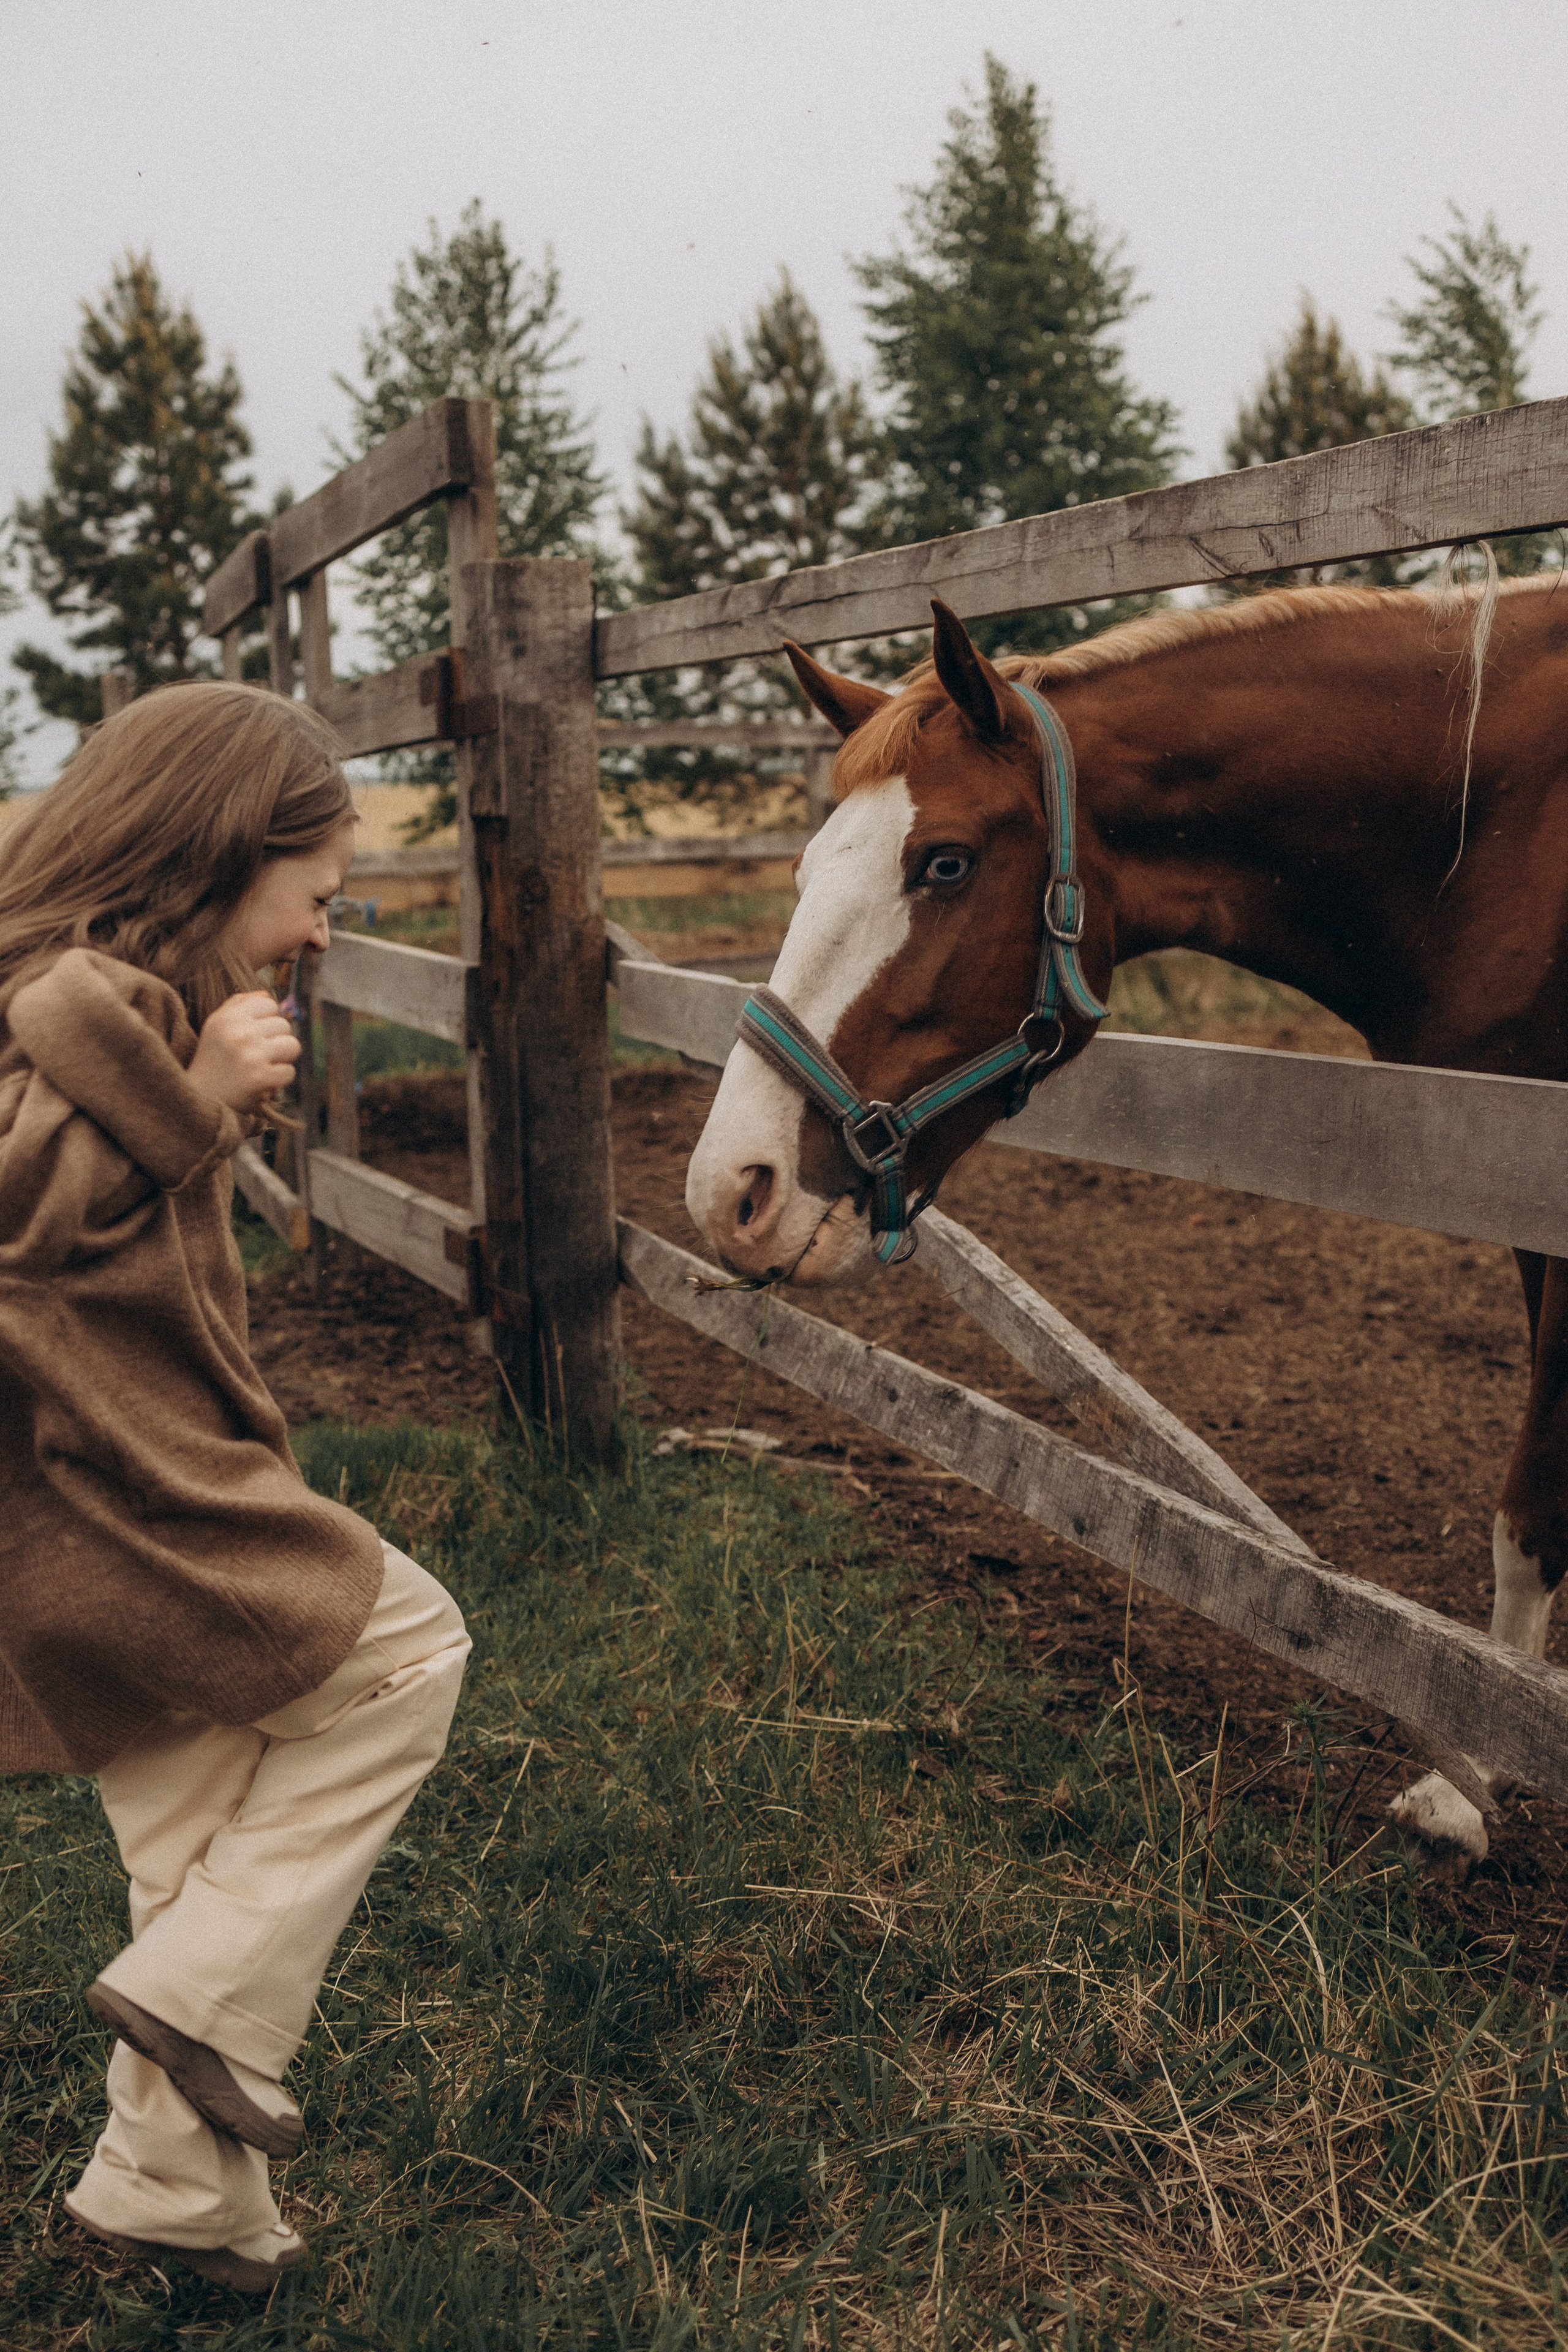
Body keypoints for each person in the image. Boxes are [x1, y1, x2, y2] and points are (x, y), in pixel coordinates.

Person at [0, 682, 471, 2295]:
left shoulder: (93, 988)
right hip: (114, 1494)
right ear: (221, 852)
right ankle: (207, 1999)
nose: (325, 934)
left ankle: (175, 2205)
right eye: (321, 896)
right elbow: (24, 1223)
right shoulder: (83, 1002)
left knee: (195, 1819)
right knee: (406, 1648)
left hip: (71, 1502)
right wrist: (191, 1098)